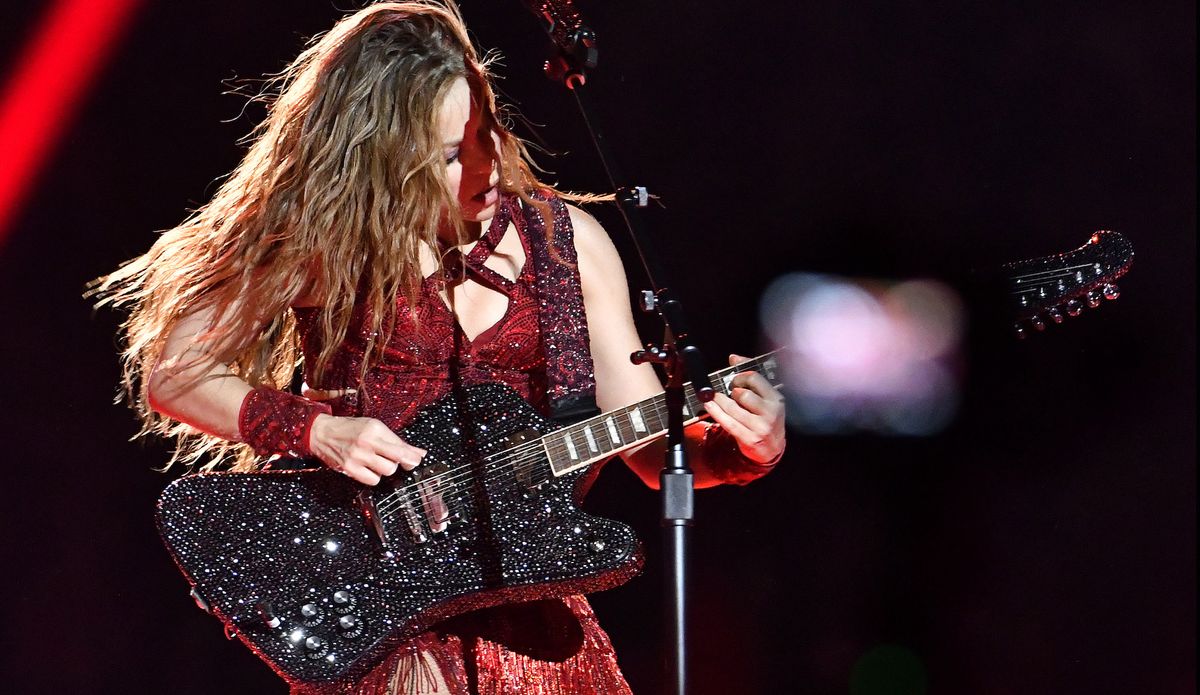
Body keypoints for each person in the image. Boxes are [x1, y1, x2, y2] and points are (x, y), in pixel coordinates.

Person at [92, 2, 785, 693]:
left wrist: (744, 450)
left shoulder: (569, 245)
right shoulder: (324, 241)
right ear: (382, 159)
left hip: (537, 633)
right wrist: (319, 430)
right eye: (451, 155)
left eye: (486, 134)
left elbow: (651, 448)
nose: (483, 167)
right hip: (391, 631)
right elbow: (177, 375)